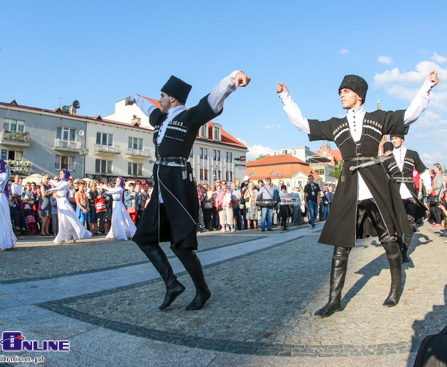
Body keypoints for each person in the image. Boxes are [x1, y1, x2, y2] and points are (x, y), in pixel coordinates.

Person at [277, 70, 439, 317]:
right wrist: (286, 98)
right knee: (341, 245)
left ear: (359, 95)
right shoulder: (336, 124)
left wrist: (427, 86)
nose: (341, 95)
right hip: (349, 188)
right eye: (340, 91)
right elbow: (304, 124)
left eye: (345, 91)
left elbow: (410, 114)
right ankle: (334, 300)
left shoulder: (378, 118)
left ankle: (395, 289)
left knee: (389, 239)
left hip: (376, 185)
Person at [127, 70, 250, 310]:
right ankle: (172, 283)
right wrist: (134, 97)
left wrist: (232, 78)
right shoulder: (160, 119)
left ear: (172, 98)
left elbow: (211, 101)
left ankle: (202, 291)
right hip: (161, 187)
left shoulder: (189, 117)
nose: (159, 100)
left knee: (180, 245)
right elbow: (146, 107)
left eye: (162, 96)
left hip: (179, 185)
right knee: (143, 238)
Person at [383, 133, 432, 262]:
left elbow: (422, 170)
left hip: (410, 194)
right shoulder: (388, 158)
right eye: (392, 139)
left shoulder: (412, 154)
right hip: (396, 195)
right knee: (397, 225)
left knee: (410, 224)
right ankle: (399, 250)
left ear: (402, 139)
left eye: (396, 138)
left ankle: (405, 251)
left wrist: (429, 186)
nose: (394, 141)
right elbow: (382, 178)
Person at [47, 169, 92, 244]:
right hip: (60, 201)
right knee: (62, 219)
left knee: (70, 217)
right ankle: (64, 236)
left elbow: (59, 188)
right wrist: (51, 181)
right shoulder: (61, 182)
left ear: (66, 175)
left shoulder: (66, 183)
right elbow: (57, 184)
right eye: (60, 173)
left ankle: (76, 232)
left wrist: (51, 189)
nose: (61, 175)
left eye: (62, 174)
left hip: (64, 201)